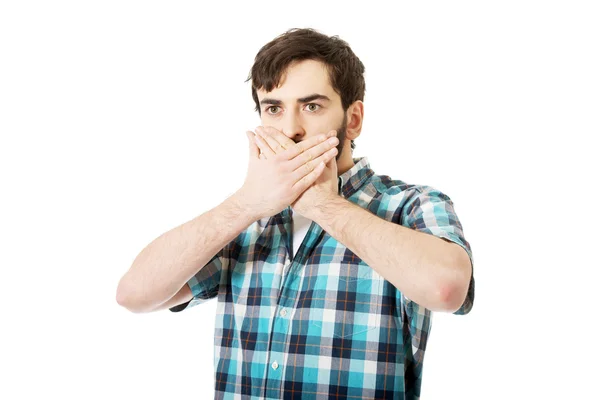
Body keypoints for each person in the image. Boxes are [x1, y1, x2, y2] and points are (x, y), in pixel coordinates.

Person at [116, 27, 475, 399]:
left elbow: (445, 289)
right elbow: (134, 294)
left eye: (312, 106)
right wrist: (247, 204)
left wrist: (324, 205)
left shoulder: (410, 204)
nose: (290, 129)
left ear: (353, 119)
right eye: (274, 109)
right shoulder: (248, 220)